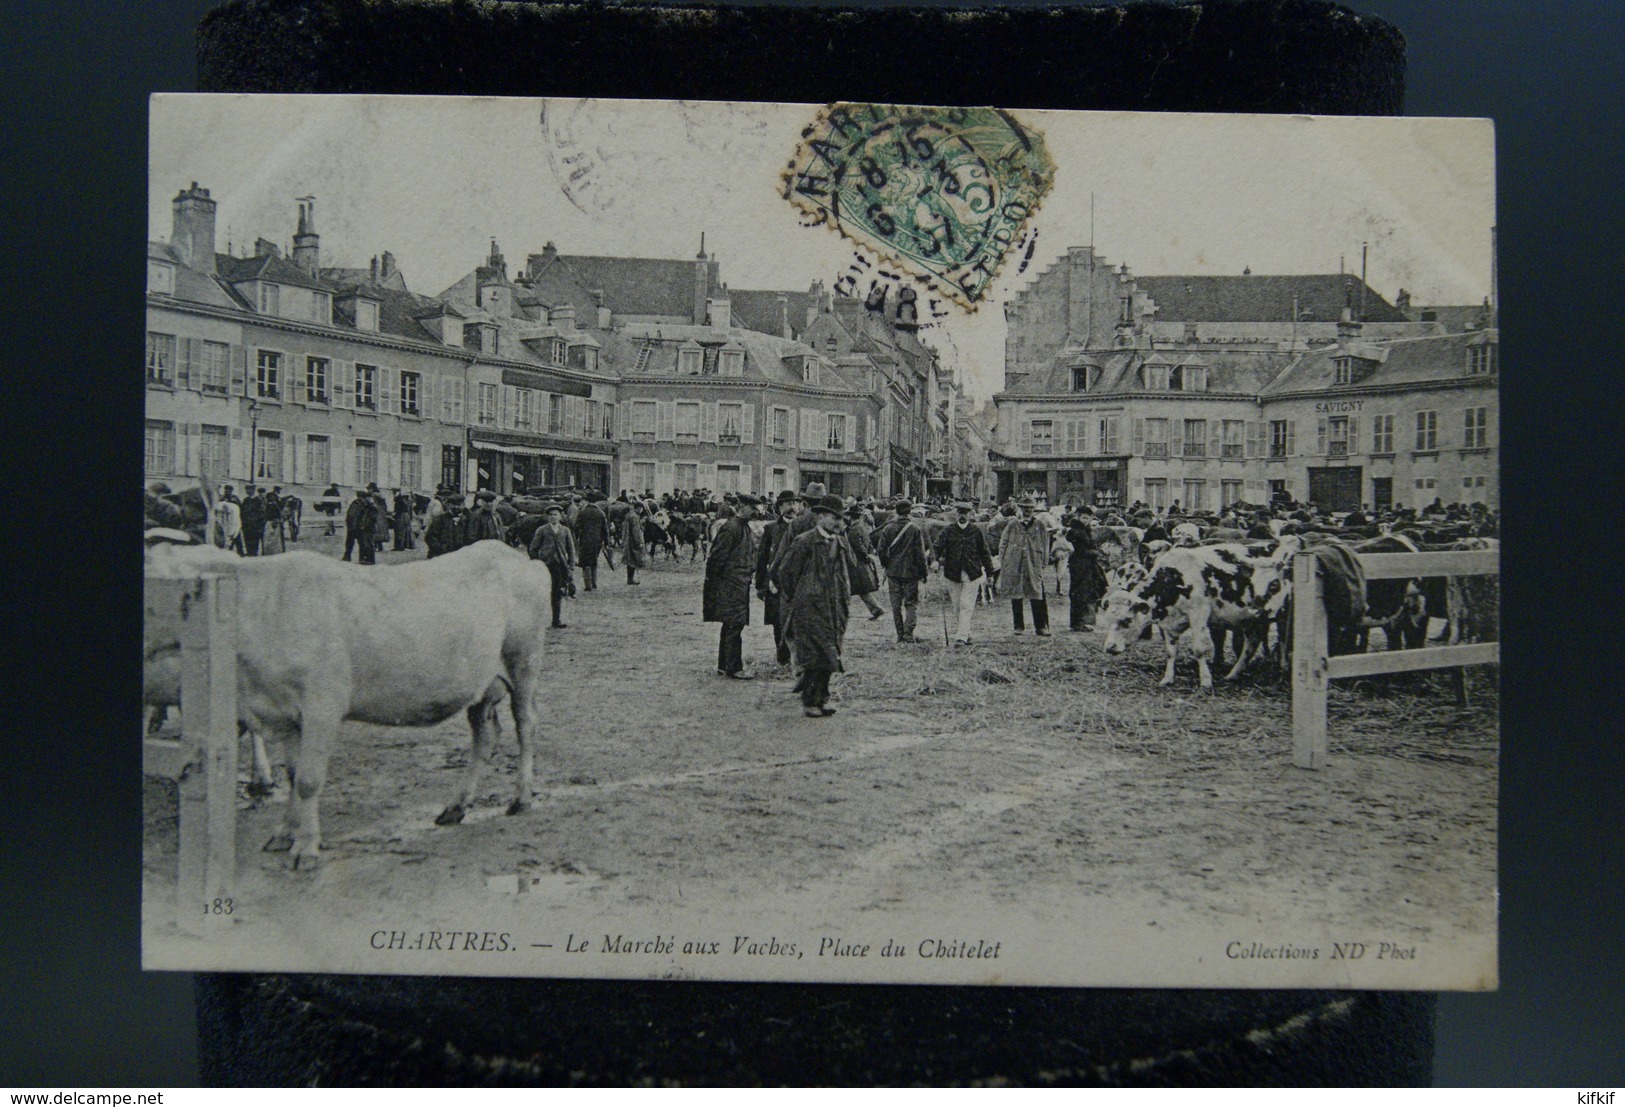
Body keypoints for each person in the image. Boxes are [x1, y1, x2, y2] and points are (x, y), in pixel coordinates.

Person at [773, 495, 855, 717]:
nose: (839, 523)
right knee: (812, 656)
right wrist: (802, 598)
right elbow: (786, 574)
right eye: (834, 517)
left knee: (830, 653)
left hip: (833, 608)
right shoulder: (804, 541)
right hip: (808, 609)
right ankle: (810, 701)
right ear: (819, 517)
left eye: (841, 518)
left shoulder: (838, 542)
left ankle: (823, 698)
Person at [704, 492, 761, 679]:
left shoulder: (743, 527)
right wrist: (717, 584)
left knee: (731, 624)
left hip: (739, 583)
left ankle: (723, 665)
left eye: (756, 509)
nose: (755, 512)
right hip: (731, 585)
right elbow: (717, 558)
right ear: (741, 506)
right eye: (752, 508)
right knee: (734, 625)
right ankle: (734, 668)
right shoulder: (732, 527)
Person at [933, 500, 996, 646]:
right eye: (960, 513)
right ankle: (966, 632)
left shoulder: (976, 531)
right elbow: (937, 546)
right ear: (956, 514)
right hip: (952, 573)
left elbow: (984, 553)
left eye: (966, 513)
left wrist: (990, 573)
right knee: (957, 605)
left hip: (972, 573)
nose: (962, 516)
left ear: (970, 514)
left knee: (966, 604)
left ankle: (961, 636)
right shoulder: (948, 530)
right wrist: (934, 560)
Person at [874, 500, 930, 643]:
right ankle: (908, 633)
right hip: (911, 572)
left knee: (895, 604)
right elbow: (920, 554)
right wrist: (924, 573)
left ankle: (899, 634)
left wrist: (887, 564)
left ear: (896, 511)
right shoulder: (915, 529)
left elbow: (881, 551)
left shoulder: (888, 528)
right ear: (909, 511)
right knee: (911, 603)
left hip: (893, 572)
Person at [755, 490, 799, 666]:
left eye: (794, 503)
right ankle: (783, 657)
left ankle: (797, 657)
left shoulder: (803, 526)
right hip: (776, 582)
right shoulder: (771, 528)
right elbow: (762, 558)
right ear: (780, 507)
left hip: (797, 581)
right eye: (787, 504)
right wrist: (760, 584)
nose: (792, 507)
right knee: (777, 621)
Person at [999, 496, 1052, 636]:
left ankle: (1041, 626)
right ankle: (1018, 626)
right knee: (1016, 594)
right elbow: (1003, 542)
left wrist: (1044, 561)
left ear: (1034, 509)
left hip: (1033, 562)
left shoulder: (1040, 525)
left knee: (1037, 593)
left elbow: (1046, 544)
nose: (1028, 511)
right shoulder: (1013, 524)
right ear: (1020, 509)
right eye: (1025, 508)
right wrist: (1004, 560)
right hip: (1015, 562)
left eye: (1030, 508)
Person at [527, 503, 577, 628]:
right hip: (545, 566)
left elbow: (571, 550)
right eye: (550, 515)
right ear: (547, 517)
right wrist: (537, 562)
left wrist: (571, 565)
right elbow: (533, 548)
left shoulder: (565, 531)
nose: (553, 517)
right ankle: (539, 620)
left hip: (559, 566)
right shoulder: (542, 530)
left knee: (557, 593)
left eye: (555, 515)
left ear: (560, 517)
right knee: (542, 592)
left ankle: (556, 619)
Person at [842, 503, 888, 620]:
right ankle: (876, 609)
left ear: (850, 517)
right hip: (862, 564)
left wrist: (865, 556)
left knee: (846, 589)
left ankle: (843, 612)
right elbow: (868, 544)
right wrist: (868, 555)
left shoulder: (852, 530)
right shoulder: (862, 528)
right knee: (862, 590)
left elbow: (857, 547)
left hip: (855, 564)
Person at [1063, 512, 1108, 630]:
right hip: (1080, 565)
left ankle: (1083, 622)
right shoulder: (1077, 532)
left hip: (1088, 564)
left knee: (1088, 591)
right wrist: (1095, 552)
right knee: (1082, 592)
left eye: (1088, 518)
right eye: (1083, 517)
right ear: (1077, 517)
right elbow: (1080, 550)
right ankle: (1081, 623)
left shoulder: (1085, 530)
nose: (1086, 520)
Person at [573, 493, 610, 591]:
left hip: (585, 540)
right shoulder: (600, 512)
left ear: (587, 501)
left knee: (585, 563)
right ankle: (594, 583)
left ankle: (588, 585)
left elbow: (576, 526)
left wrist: (576, 537)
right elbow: (605, 529)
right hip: (597, 541)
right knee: (594, 561)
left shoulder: (582, 512)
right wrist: (606, 542)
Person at [343, 488, 378, 564]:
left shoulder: (366, 505)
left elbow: (367, 517)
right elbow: (350, 515)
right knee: (357, 543)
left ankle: (363, 559)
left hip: (359, 527)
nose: (360, 498)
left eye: (361, 497)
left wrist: (360, 525)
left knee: (363, 543)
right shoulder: (360, 504)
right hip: (356, 526)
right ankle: (351, 557)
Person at [622, 502, 648, 584]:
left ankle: (630, 579)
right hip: (633, 542)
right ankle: (631, 579)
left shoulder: (629, 515)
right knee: (633, 560)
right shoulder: (635, 517)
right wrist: (639, 542)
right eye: (641, 508)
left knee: (630, 561)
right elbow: (636, 531)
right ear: (638, 508)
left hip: (628, 540)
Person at [240, 487, 267, 557]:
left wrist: (255, 522)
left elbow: (261, 513)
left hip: (255, 525)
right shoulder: (246, 500)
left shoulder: (258, 500)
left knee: (254, 541)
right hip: (246, 525)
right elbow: (242, 511)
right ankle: (249, 553)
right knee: (247, 540)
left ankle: (253, 554)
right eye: (246, 489)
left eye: (249, 489)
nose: (247, 491)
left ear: (253, 490)